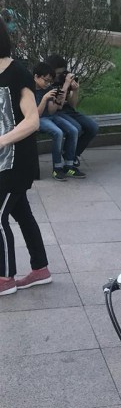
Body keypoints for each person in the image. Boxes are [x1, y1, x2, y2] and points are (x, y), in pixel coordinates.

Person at [0, 18, 52, 295]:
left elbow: (32, 121)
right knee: (22, 213)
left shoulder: (17, 72)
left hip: (17, 161)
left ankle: (5, 278)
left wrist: (1, 141)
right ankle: (40, 269)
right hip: (2, 162)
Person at [45, 55, 99, 169]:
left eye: (63, 73)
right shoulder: (47, 84)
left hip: (68, 111)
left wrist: (75, 90)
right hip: (56, 112)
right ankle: (69, 155)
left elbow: (73, 105)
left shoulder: (64, 81)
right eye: (58, 73)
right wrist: (65, 86)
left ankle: (73, 153)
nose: (61, 76)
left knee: (93, 127)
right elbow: (56, 107)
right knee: (76, 128)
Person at [32, 62, 84, 181]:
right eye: (45, 80)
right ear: (36, 77)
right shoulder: (30, 91)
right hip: (39, 119)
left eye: (49, 81)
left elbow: (51, 111)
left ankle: (69, 165)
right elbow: (35, 115)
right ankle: (57, 168)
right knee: (58, 133)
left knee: (73, 130)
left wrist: (58, 99)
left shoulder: (48, 89)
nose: (47, 84)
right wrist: (45, 98)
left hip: (51, 116)